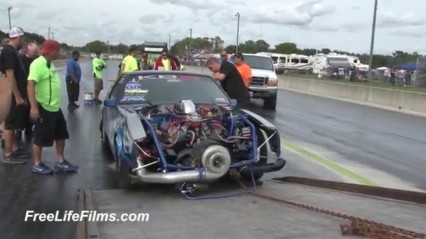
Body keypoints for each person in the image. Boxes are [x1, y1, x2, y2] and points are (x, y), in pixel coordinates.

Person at [27, 39, 78, 174]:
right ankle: (37, 164)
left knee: (61, 134)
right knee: (40, 137)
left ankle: (60, 161)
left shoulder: (50, 64)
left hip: (55, 107)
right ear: (52, 51)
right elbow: (30, 85)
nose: (59, 52)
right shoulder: (38, 64)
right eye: (58, 50)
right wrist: (33, 107)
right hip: (44, 107)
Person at [0, 27, 31, 164]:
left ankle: (14, 149)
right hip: (12, 94)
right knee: (10, 124)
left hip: (15, 93)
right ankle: (8, 154)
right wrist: (17, 96)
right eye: (22, 38)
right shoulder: (8, 52)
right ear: (17, 38)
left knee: (14, 123)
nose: (23, 41)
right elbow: (10, 76)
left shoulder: (12, 52)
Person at [18, 42, 40, 138]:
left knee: (32, 109)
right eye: (34, 51)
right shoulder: (21, 60)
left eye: (36, 51)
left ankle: (29, 129)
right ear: (28, 50)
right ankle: (18, 131)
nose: (35, 53)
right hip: (22, 88)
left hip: (34, 88)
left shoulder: (37, 60)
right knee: (21, 111)